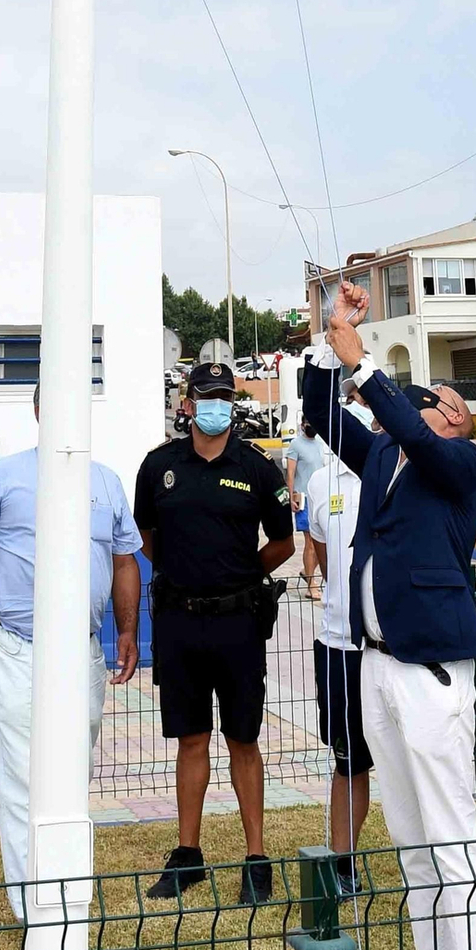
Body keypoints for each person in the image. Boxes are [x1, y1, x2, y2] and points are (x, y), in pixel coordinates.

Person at [304, 285, 476, 950]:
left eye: (434, 400)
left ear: (453, 417)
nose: (421, 405)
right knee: (411, 837)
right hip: (377, 663)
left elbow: (414, 430)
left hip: (430, 672)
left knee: (453, 839)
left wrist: (369, 370)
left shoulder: (459, 461)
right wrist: (333, 336)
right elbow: (323, 414)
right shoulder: (385, 453)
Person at [0, 390, 141, 919]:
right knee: (21, 777)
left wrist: (128, 630)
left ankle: (67, 888)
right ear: (40, 410)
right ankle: (34, 906)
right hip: (16, 646)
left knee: (73, 771)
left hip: (82, 651)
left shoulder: (106, 481)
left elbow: (125, 560)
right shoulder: (4, 477)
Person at [134, 358, 296, 906]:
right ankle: (188, 856)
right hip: (179, 620)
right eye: (207, 396)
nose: (216, 406)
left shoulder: (257, 467)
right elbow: (147, 536)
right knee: (191, 738)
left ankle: (256, 859)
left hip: (238, 622)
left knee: (243, 739)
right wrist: (186, 572)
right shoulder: (159, 466)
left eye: (225, 397)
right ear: (187, 404)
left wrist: (239, 575)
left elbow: (282, 543)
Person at [305, 389, 372, 892]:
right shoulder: (319, 482)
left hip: (389, 651)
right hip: (337, 645)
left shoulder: (390, 474)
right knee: (348, 760)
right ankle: (343, 864)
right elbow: (324, 554)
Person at [286, 420, 326, 601]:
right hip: (304, 498)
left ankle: (306, 571)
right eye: (308, 422)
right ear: (302, 425)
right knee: (310, 542)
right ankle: (311, 584)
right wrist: (290, 497)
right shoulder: (296, 445)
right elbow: (290, 474)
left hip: (321, 498)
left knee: (323, 542)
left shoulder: (319, 444)